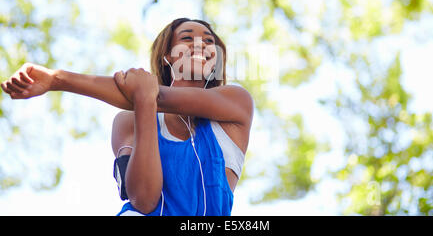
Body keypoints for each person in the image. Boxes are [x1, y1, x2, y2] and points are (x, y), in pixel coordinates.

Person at [0, 18, 253, 216]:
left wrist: (57, 79)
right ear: (166, 56)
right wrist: (143, 99)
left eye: (209, 41)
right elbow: (143, 198)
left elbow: (161, 97)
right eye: (187, 38)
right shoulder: (126, 122)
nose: (200, 44)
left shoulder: (236, 105)